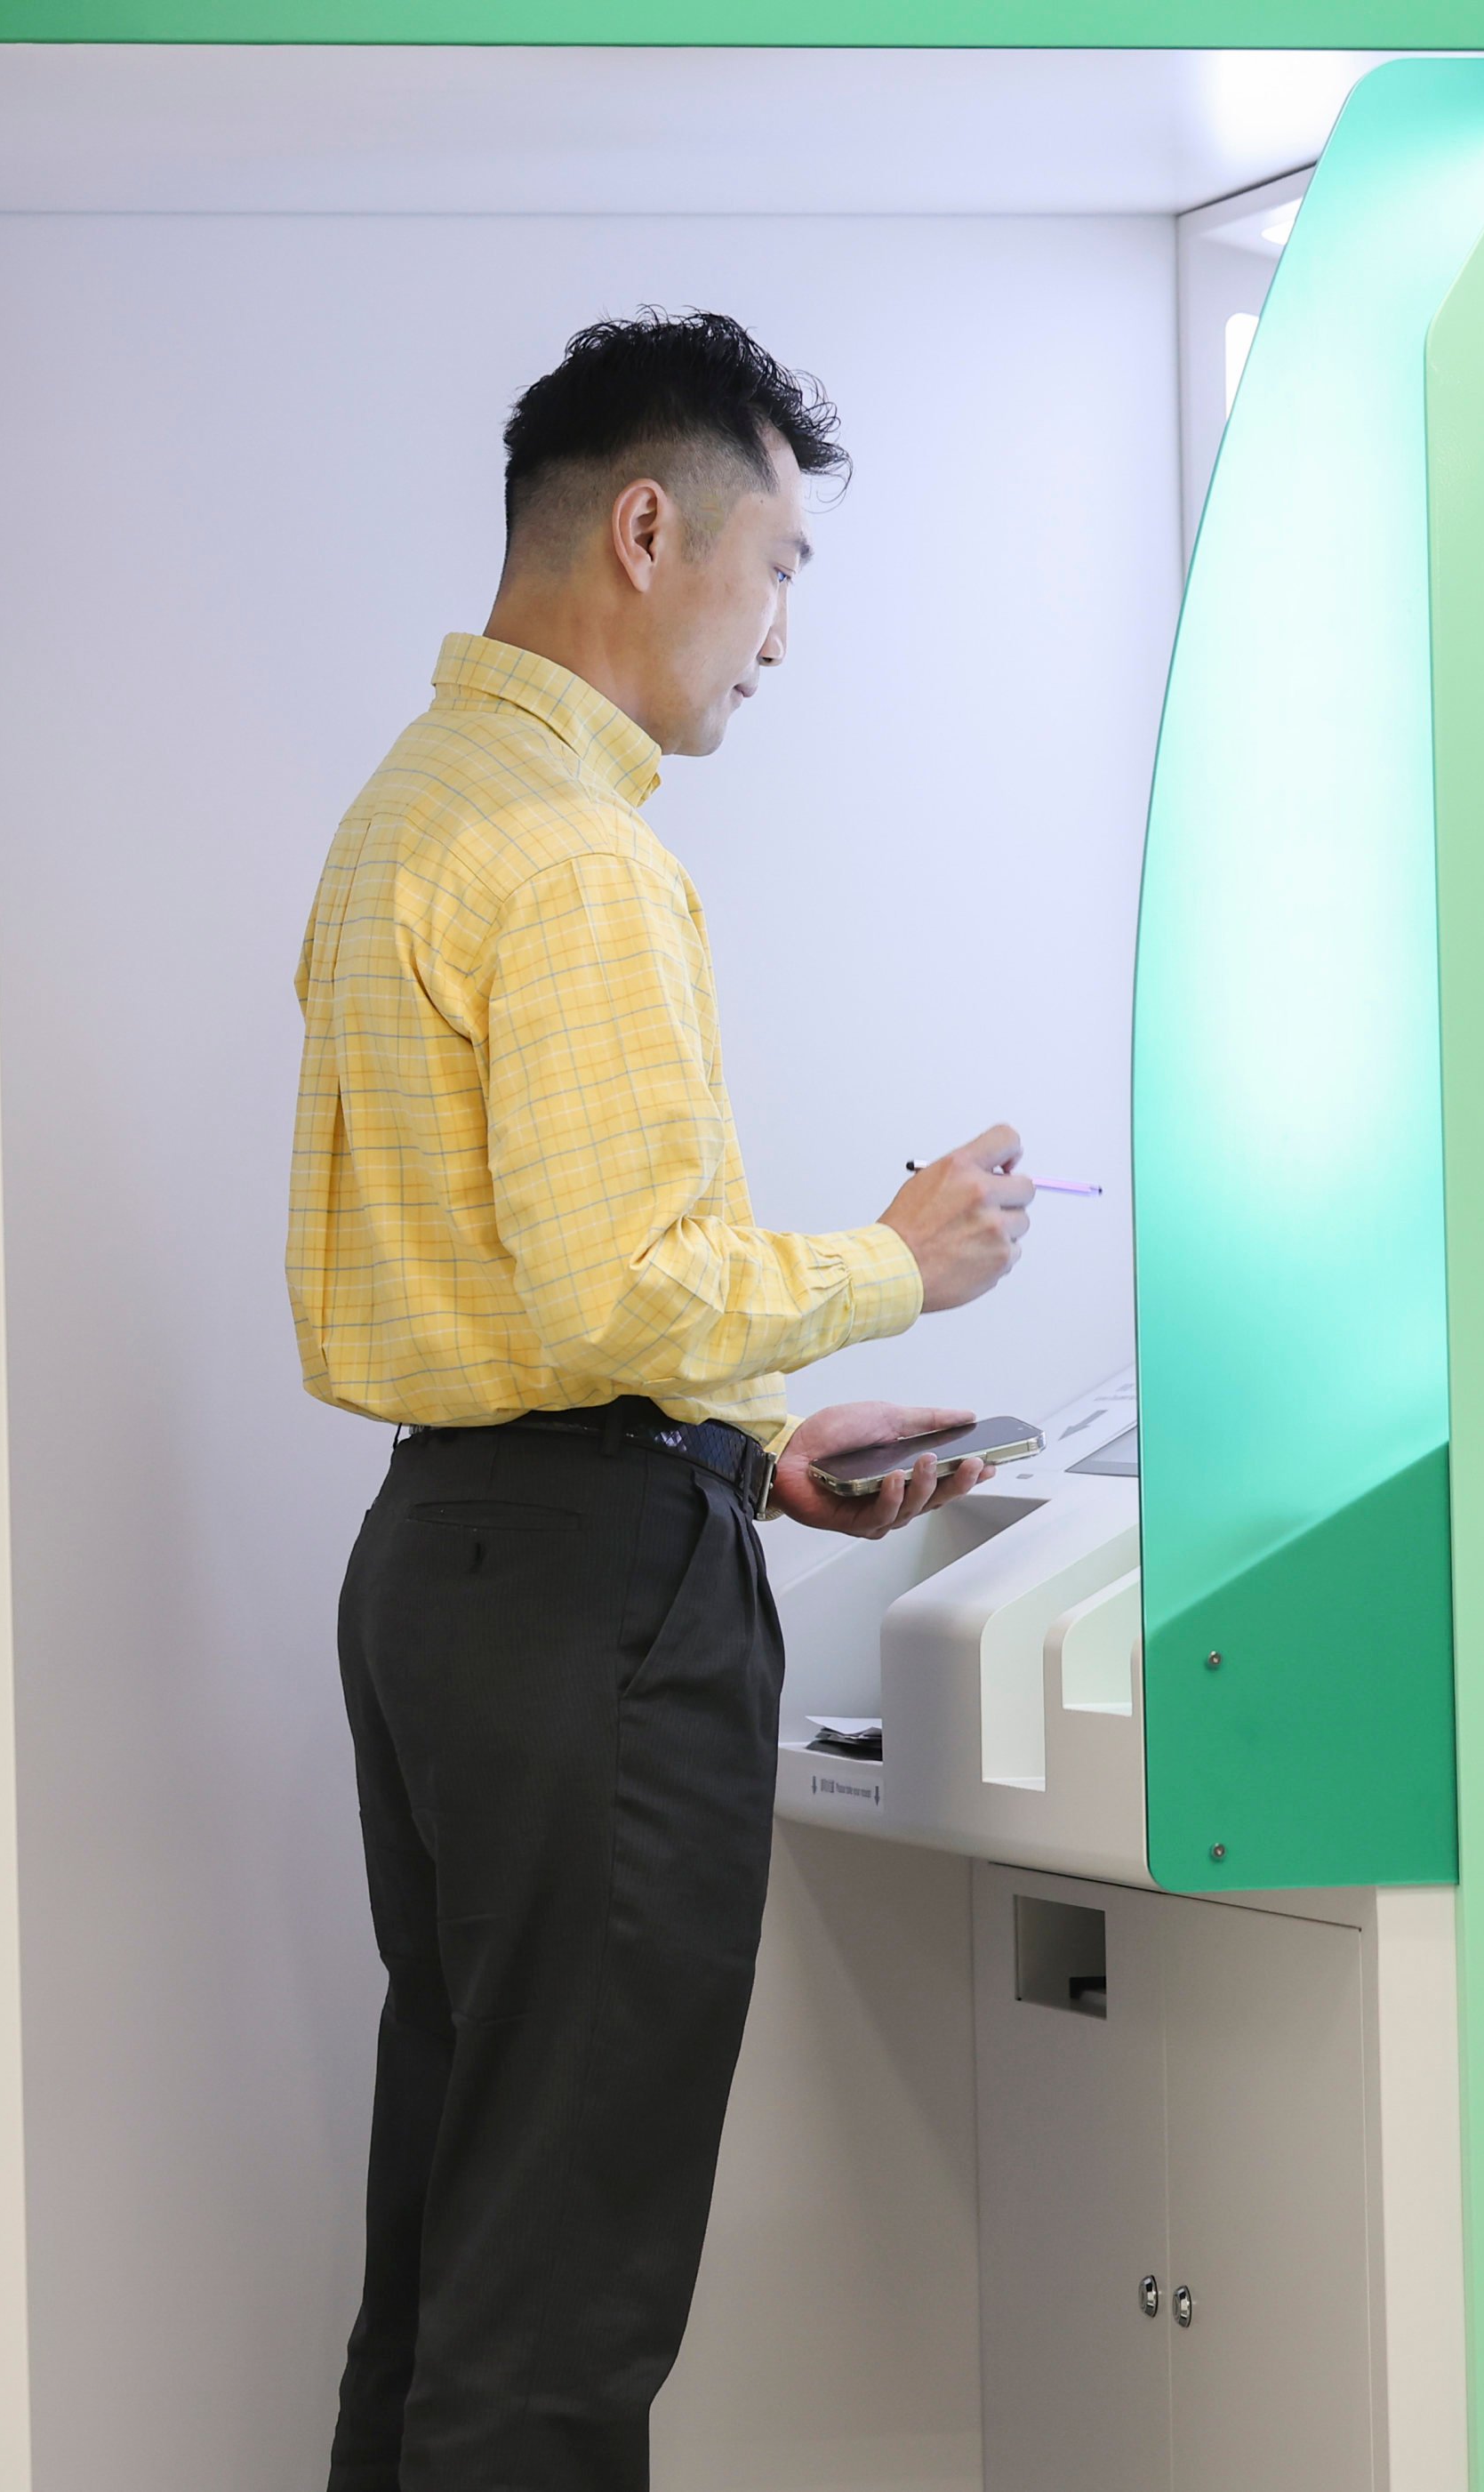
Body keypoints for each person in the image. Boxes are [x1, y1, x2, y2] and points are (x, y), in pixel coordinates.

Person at [287, 309, 1038, 2489]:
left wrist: (749, 1443)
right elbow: (622, 1282)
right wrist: (903, 1261)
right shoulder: (579, 853)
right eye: (778, 564)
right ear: (647, 528)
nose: (780, 633)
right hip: (593, 1608)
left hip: (452, 1566)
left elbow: (537, 1305)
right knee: (567, 2305)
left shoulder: (410, 804)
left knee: (452, 2260)